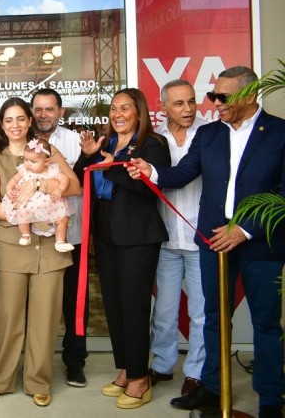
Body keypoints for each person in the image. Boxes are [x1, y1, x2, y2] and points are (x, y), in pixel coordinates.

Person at [130, 66, 285, 417]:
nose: (215, 104)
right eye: (214, 96)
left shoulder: (279, 132)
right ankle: (213, 388)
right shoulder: (209, 133)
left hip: (261, 243)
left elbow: (283, 194)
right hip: (213, 241)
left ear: (250, 95)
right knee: (214, 318)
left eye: (223, 97)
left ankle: (271, 398)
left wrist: (244, 229)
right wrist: (151, 172)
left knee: (266, 323)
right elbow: (184, 173)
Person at [0, 98, 80, 407]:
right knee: (7, 317)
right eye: (9, 120)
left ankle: (39, 380)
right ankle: (1, 380)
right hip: (12, 246)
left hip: (49, 248)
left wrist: (38, 187)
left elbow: (74, 186)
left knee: (45, 318)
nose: (15, 125)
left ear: (29, 121)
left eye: (21, 118)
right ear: (2, 125)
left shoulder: (48, 151)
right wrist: (30, 216)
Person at [74, 88, 170, 410]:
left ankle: (141, 378)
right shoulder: (108, 142)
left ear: (139, 113)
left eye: (125, 108)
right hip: (106, 233)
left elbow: (149, 189)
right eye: (114, 108)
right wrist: (88, 156)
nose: (118, 114)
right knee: (114, 306)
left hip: (137, 235)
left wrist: (113, 165)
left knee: (134, 306)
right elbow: (79, 180)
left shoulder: (152, 144)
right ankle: (127, 369)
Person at [148, 79, 206, 397]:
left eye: (191, 101)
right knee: (165, 311)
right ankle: (162, 365)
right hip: (166, 239)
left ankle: (196, 373)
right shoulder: (154, 139)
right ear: (163, 106)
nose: (188, 109)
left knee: (200, 312)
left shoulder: (209, 134)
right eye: (179, 103)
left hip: (201, 238)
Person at [31, 88, 88, 387]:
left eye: (49, 109)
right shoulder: (24, 141)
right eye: (38, 109)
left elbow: (80, 187)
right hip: (34, 237)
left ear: (60, 112)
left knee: (74, 301)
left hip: (71, 235)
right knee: (36, 303)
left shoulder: (76, 142)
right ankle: (33, 362)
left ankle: (75, 362)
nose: (43, 115)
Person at [2, 138, 74, 253]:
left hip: (51, 204)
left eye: (33, 162)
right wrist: (9, 188)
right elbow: (14, 179)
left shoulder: (52, 170)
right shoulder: (25, 170)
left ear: (46, 161)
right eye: (26, 160)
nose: (28, 164)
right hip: (28, 203)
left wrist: (60, 189)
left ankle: (60, 241)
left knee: (62, 219)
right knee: (21, 212)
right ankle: (25, 234)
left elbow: (64, 179)